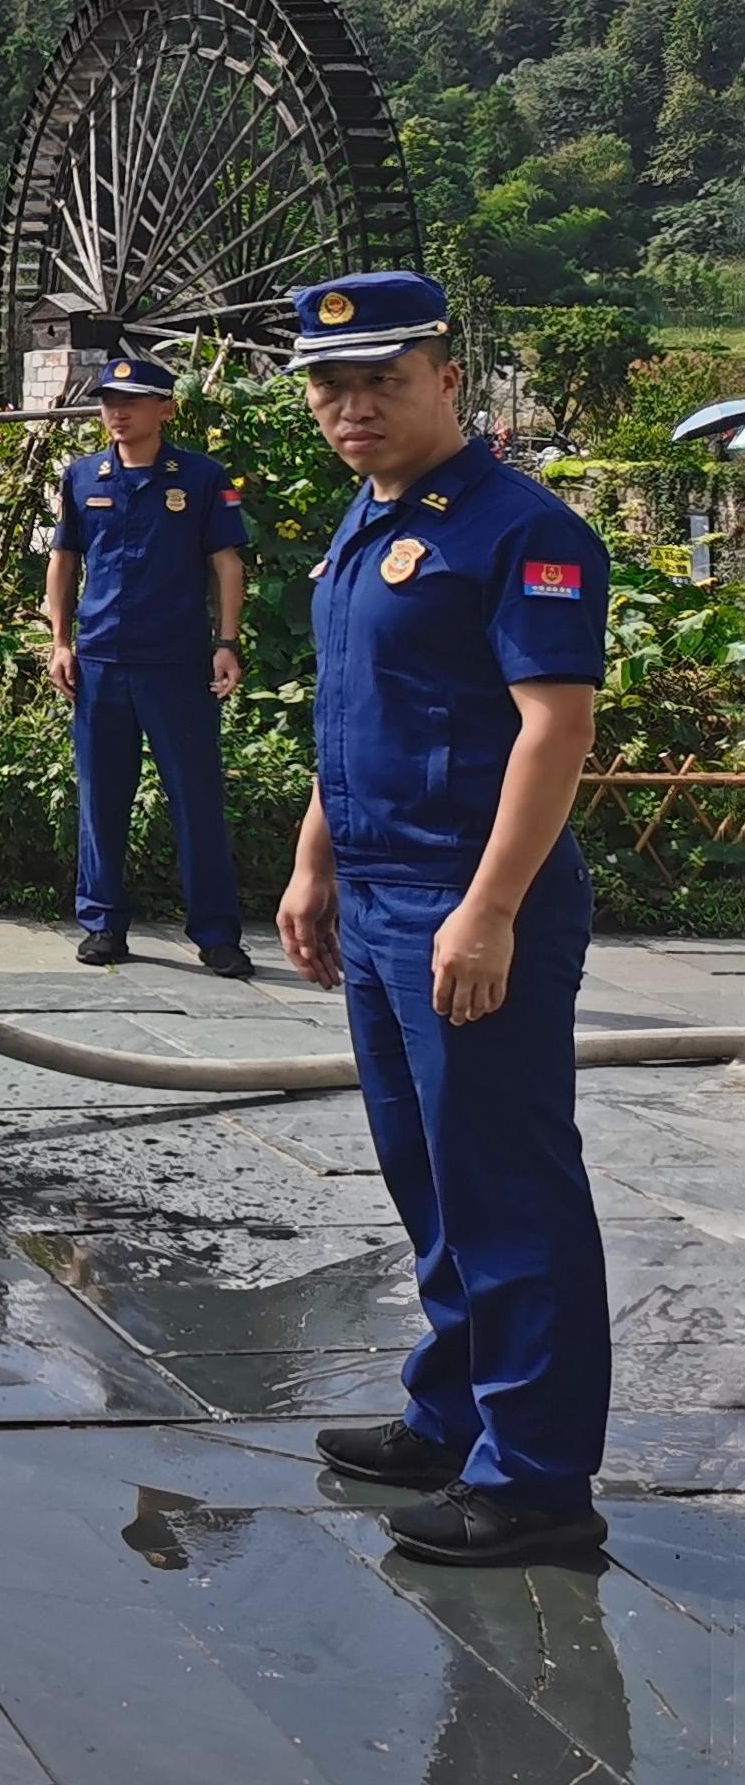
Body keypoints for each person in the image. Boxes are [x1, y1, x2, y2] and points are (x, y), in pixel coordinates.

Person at [273, 270, 615, 1569]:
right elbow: (358, 713)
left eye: (383, 379)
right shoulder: (370, 522)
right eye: (331, 383)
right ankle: (453, 1412)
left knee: (506, 1185)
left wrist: (487, 910)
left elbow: (556, 728)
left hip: (474, 905)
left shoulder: (517, 529)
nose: (353, 404)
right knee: (431, 1183)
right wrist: (315, 867)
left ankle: (535, 1480)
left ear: (446, 379)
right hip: (375, 893)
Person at [47, 351, 253, 974]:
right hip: (102, 659)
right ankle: (103, 923)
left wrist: (228, 641)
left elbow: (227, 563)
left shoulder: (199, 477)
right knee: (102, 797)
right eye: (110, 401)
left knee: (196, 798)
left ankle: (216, 933)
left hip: (176, 661)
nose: (117, 412)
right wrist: (60, 642)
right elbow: (64, 561)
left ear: (165, 408)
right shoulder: (84, 477)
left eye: (131, 402)